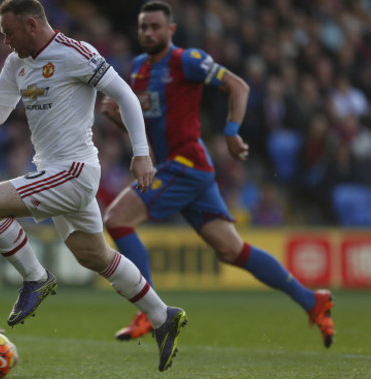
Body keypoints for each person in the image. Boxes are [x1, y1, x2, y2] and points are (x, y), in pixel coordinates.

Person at [0, 0, 186, 372]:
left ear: (32, 25)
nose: (5, 41)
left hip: (75, 170)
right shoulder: (18, 62)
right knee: (92, 255)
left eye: (10, 32)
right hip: (54, 172)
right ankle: (163, 316)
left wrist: (141, 153)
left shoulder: (74, 53)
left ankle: (36, 277)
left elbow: (126, 95)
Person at [101, 1, 335, 348]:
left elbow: (238, 86)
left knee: (117, 219)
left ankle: (150, 313)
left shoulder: (187, 60)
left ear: (171, 30)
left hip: (186, 163)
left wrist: (230, 131)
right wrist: (118, 118)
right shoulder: (137, 69)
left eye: (155, 26)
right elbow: (147, 127)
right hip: (181, 169)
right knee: (232, 250)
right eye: (143, 27)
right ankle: (312, 301)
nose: (148, 33)